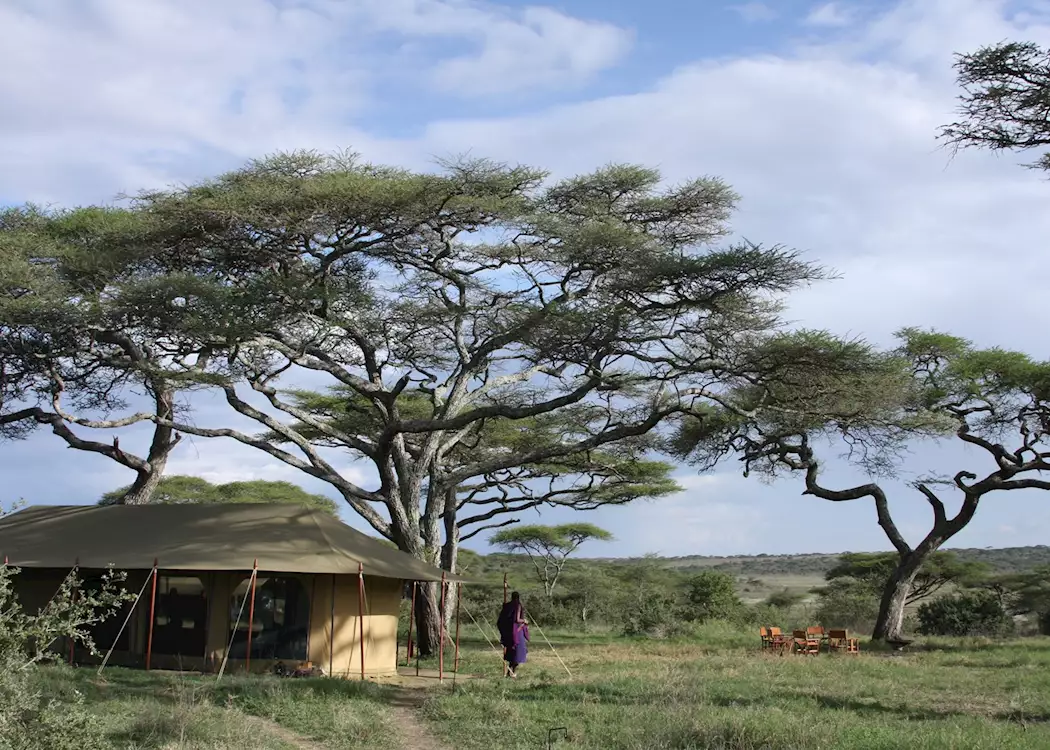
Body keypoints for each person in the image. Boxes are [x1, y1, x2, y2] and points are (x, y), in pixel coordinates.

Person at [497, 591, 529, 678]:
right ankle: (511, 673)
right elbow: (517, 619)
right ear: (518, 597)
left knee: (512, 653)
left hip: (509, 633)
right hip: (517, 633)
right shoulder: (517, 605)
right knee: (518, 654)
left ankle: (509, 673)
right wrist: (524, 621)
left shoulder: (507, 605)